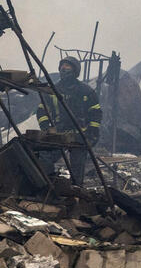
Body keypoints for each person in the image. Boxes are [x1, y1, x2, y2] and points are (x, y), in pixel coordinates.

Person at [35, 56, 101, 184]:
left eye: (68, 65)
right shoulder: (52, 90)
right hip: (58, 133)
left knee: (77, 165)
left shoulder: (86, 91)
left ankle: (76, 190)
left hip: (79, 134)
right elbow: (41, 110)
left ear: (75, 70)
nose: (64, 68)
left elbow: (96, 112)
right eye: (62, 65)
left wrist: (92, 131)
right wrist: (47, 128)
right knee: (45, 156)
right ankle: (50, 184)